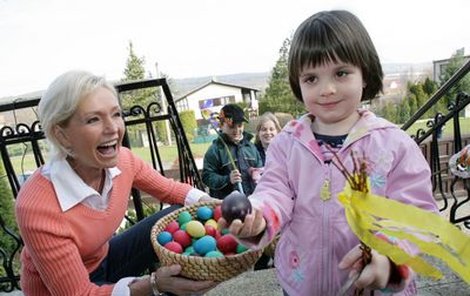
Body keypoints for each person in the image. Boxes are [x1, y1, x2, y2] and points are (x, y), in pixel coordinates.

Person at [219, 10, 438, 296]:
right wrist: (259, 216)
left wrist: (389, 258)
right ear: (299, 83)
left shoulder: (393, 145)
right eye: (311, 78)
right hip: (302, 284)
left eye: (341, 73)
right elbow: (274, 190)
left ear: (365, 74)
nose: (327, 89)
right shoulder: (287, 143)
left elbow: (416, 214)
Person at [15, 70, 217, 296]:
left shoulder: (123, 160)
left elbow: (173, 191)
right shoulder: (37, 205)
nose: (113, 128)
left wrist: (218, 206)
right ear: (62, 136)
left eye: (116, 114)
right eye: (93, 119)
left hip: (105, 261)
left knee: (185, 211)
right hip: (59, 292)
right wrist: (153, 285)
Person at [202, 103, 263, 199]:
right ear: (221, 126)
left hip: (252, 200)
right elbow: (207, 176)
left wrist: (256, 173)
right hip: (226, 204)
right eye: (231, 126)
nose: (236, 130)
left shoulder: (251, 147)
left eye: (240, 126)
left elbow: (261, 169)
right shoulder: (215, 150)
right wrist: (227, 179)